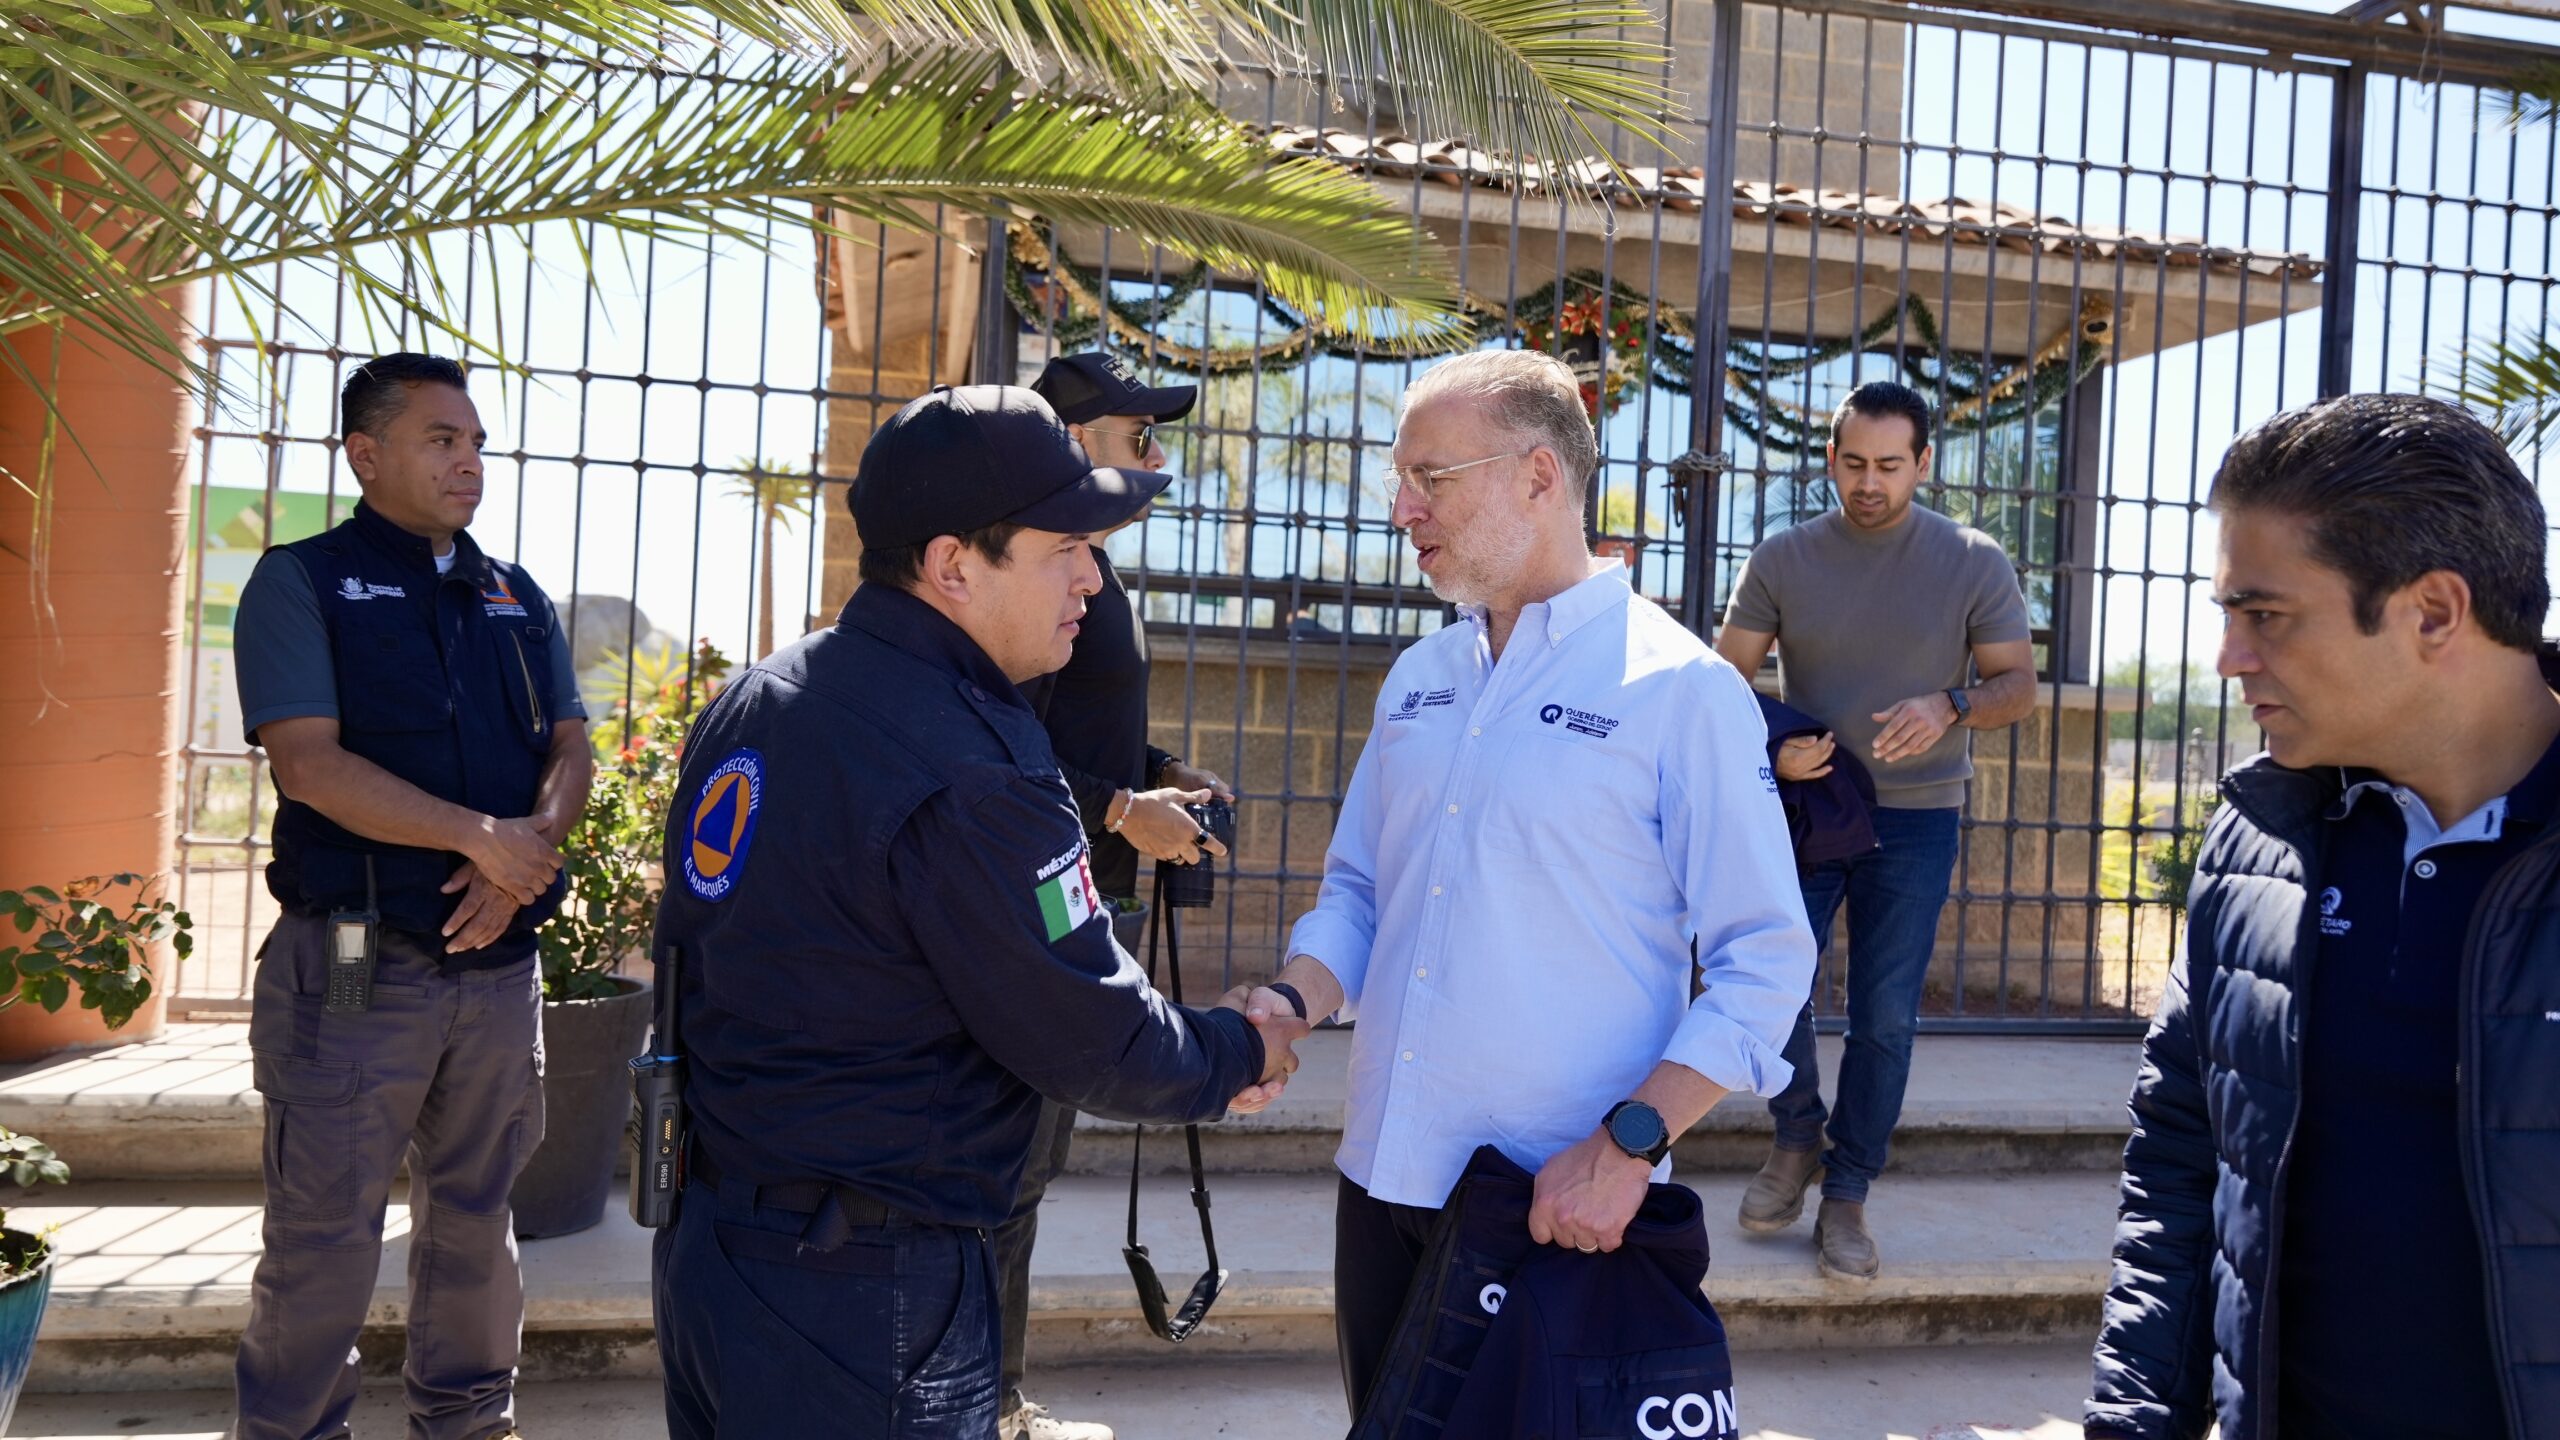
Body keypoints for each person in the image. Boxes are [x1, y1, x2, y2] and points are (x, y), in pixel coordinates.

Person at [647, 383, 1308, 1439]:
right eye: (1064, 548)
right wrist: (1241, 1049)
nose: (1092, 576)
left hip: (714, 1256)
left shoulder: (764, 694)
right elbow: (1090, 1037)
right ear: (954, 565)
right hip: (868, 1288)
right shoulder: (976, 765)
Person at [1238, 348, 1817, 1415]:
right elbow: (1360, 894)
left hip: (1559, 1203)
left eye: (1433, 479)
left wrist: (1630, 1143)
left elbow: (1765, 960)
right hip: (1382, 1178)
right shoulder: (1420, 677)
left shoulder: (1680, 687)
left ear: (1540, 477)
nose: (1405, 510)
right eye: (1398, 481)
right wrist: (1288, 1002)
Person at [2086, 393, 2560, 1440]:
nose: (2230, 660)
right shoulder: (2262, 839)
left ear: (2433, 611)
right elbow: (2180, 1163)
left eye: (2265, 616)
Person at [230, 353, 593, 1440]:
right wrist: (480, 839)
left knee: (478, 1220)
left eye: (477, 443)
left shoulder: (512, 595)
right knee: (323, 1227)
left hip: (495, 971)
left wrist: (521, 853)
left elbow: (571, 746)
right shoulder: (300, 583)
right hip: (352, 956)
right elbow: (310, 765)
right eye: (443, 440)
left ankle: (470, 1422)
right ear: (366, 452)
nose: (469, 463)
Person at [1711, 380, 2037, 1280]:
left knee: (1884, 1019)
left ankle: (1847, 1193)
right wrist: (1766, 756)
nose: (1869, 482)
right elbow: (1719, 682)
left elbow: (2018, 685)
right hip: (1809, 811)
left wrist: (1953, 703)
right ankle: (1799, 1135)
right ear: (1831, 459)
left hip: (1920, 819)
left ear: (1923, 464)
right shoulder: (1783, 558)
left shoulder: (1973, 560)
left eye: (1890, 466)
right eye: (1853, 462)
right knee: (1771, 988)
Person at [981, 354, 1233, 1440]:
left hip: (1079, 896)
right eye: (1139, 436)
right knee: (1005, 1173)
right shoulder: (1034, 572)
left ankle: (991, 1401)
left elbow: (1067, 736)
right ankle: (985, 1409)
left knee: (1021, 1174)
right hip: (1035, 911)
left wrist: (1160, 774)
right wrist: (1127, 810)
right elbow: (997, 757)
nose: (1158, 458)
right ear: (1074, 437)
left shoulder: (1081, 569)